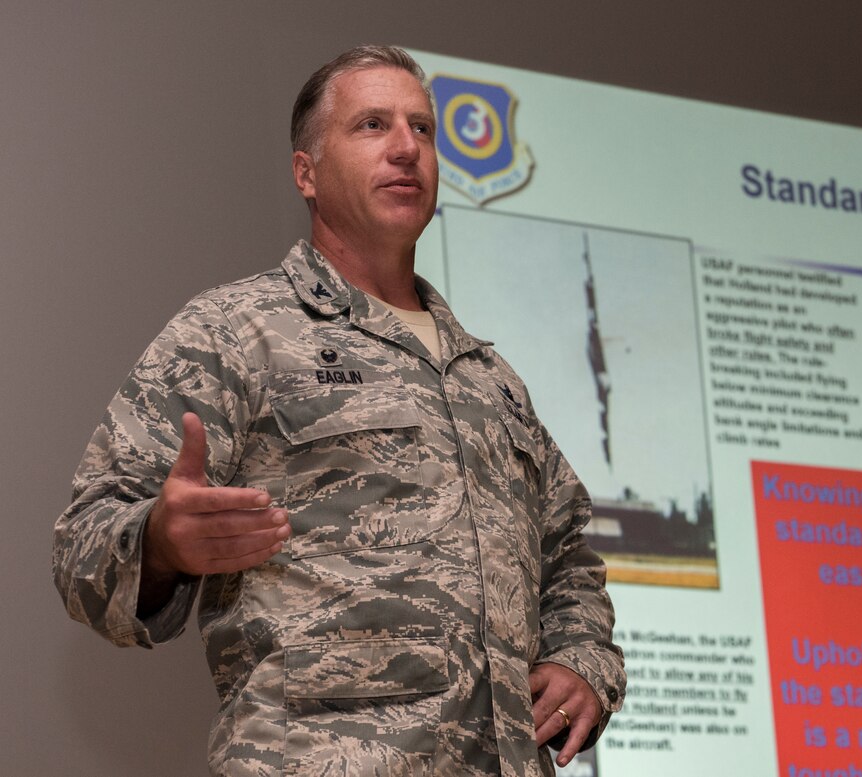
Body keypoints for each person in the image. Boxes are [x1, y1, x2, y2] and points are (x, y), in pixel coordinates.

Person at [53, 45, 625, 776]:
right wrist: (161, 540)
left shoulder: (491, 379)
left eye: (422, 128)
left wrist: (582, 660)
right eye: (372, 125)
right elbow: (81, 547)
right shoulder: (236, 332)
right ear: (306, 174)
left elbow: (570, 554)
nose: (405, 148)